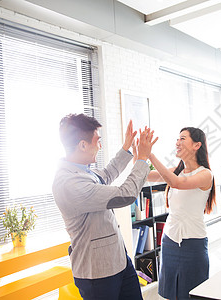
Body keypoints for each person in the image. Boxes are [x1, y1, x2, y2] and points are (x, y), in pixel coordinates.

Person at [52, 114, 157, 300]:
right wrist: (142, 158)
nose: (100, 146)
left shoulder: (82, 170)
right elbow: (125, 195)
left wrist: (127, 148)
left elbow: (107, 173)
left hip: (118, 260)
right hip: (97, 272)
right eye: (97, 141)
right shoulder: (68, 182)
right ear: (83, 145)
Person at [133, 127, 215, 300]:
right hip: (170, 241)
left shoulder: (205, 174)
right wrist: (138, 153)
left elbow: (176, 183)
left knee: (192, 294)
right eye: (177, 138)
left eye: (183, 139)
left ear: (197, 145)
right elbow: (145, 175)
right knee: (169, 293)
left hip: (193, 242)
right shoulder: (176, 170)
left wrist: (150, 155)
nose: (177, 142)